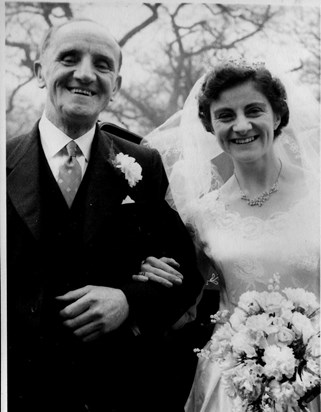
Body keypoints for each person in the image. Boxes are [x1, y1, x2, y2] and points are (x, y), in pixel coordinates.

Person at [6, 18, 204, 412]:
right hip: (19, 385)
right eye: (69, 58)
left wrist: (129, 300)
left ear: (116, 86)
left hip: (115, 388)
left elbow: (185, 270)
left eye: (102, 65)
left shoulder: (142, 163)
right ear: (40, 73)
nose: (85, 74)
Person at [139, 60, 320, 411]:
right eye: (225, 115)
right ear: (209, 126)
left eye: (254, 110)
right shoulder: (202, 214)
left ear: (278, 116)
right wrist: (149, 275)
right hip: (233, 383)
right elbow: (182, 301)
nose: (241, 126)